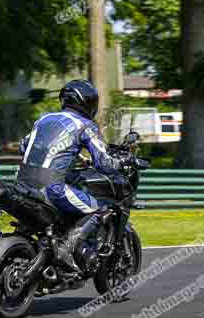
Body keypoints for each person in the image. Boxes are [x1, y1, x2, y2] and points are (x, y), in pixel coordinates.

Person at [16, 79, 125, 272]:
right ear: (87, 103)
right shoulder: (85, 125)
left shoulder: (44, 119)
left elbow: (24, 146)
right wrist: (122, 162)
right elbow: (103, 162)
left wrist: (74, 157)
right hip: (49, 187)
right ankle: (67, 247)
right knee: (97, 209)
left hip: (22, 183)